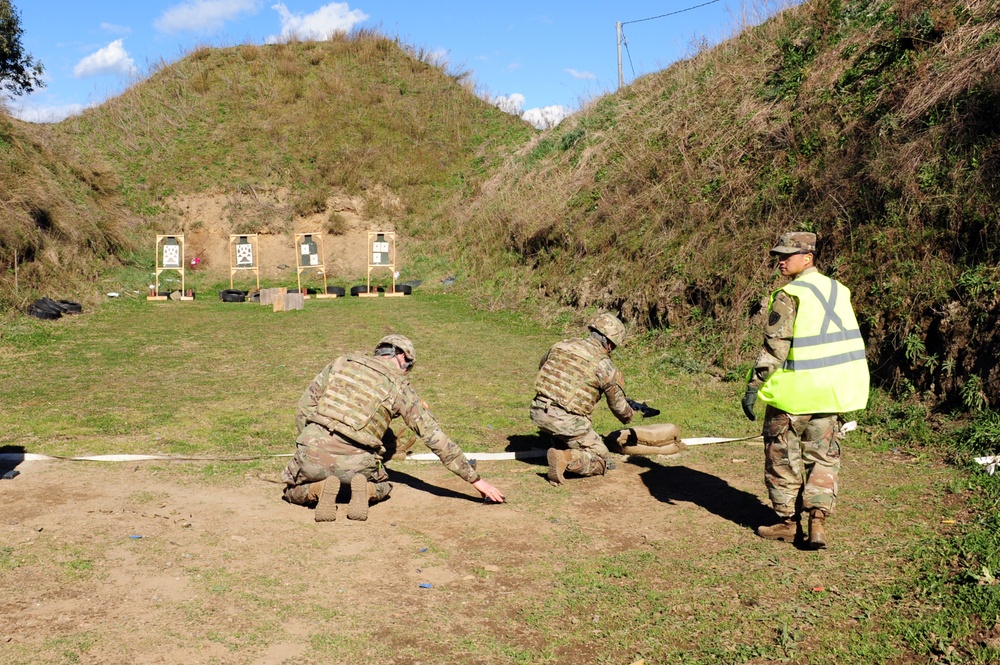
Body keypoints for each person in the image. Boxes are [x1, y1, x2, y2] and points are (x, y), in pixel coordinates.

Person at [281, 334, 506, 521]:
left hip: (312, 452)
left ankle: (316, 490)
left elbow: (305, 406)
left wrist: (308, 443)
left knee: (291, 490)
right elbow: (434, 436)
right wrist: (476, 480)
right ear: (401, 357)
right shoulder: (400, 387)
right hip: (357, 462)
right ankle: (368, 490)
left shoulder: (341, 362)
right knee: (384, 486)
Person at [742, 232, 869, 549]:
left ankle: (787, 522)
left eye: (786, 255)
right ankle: (817, 524)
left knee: (781, 457)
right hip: (831, 393)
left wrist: (753, 386)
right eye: (778, 256)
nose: (780, 261)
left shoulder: (789, 294)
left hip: (794, 395)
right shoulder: (839, 291)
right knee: (823, 459)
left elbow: (775, 348)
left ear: (807, 257)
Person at [531, 313, 636, 485]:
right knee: (602, 458)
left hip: (538, 410)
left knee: (569, 423)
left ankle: (561, 442)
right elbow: (619, 408)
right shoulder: (604, 365)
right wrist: (629, 414)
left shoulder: (561, 345)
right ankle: (565, 458)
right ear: (610, 344)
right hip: (566, 421)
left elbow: (543, 366)